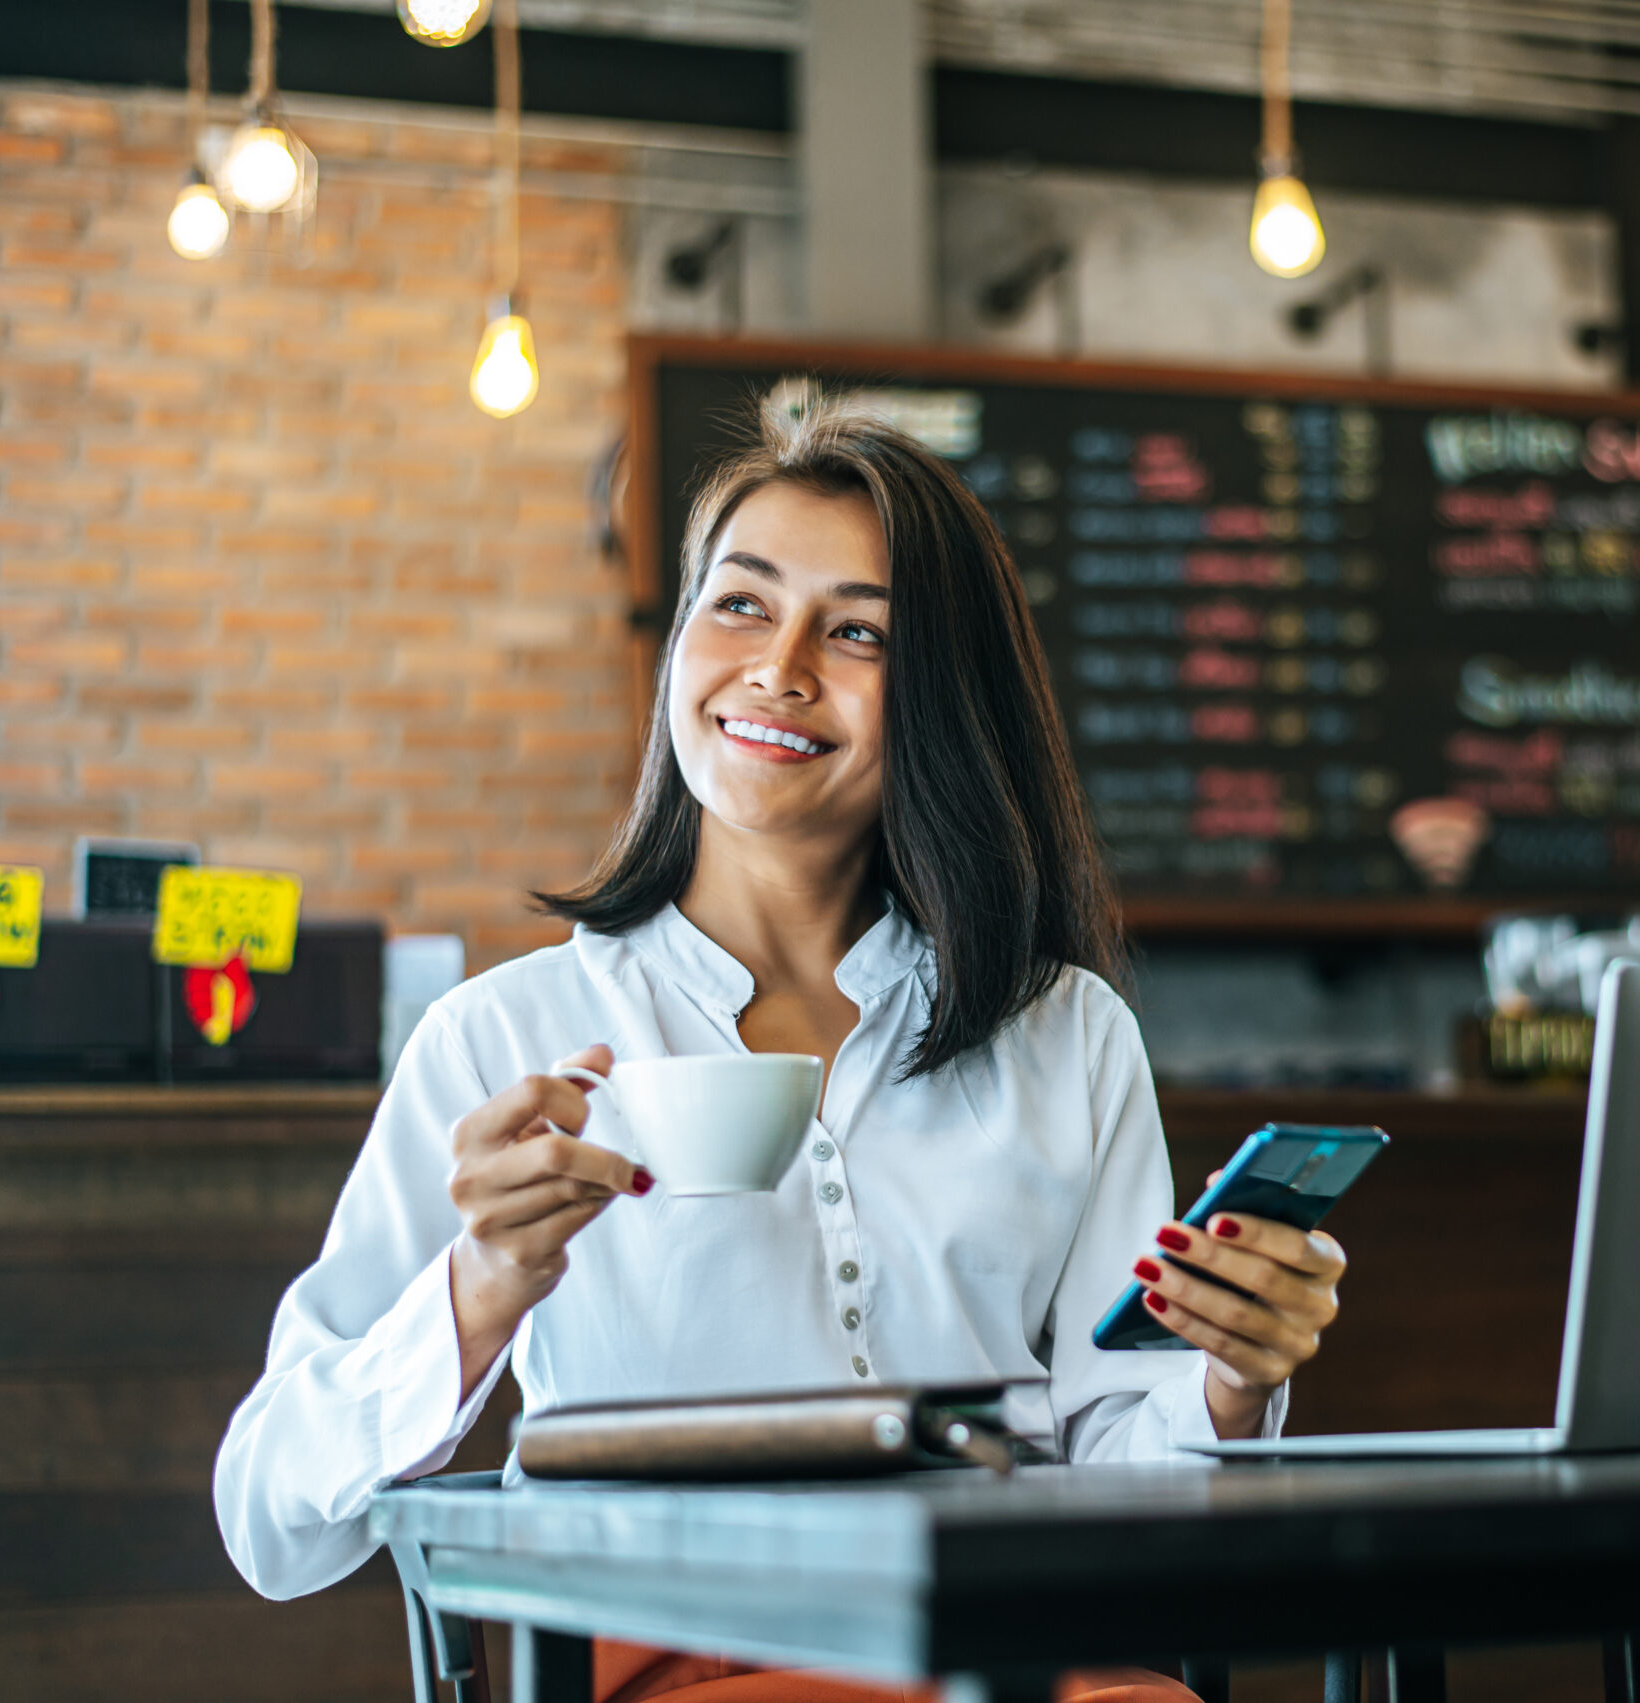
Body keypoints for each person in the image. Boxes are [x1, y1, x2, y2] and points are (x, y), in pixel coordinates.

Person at [214, 393, 1350, 1703]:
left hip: (1017, 1647)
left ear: (942, 699)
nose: (781, 666)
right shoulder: (503, 1039)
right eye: (740, 603)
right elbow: (270, 1520)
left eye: (857, 630)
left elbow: (1128, 1502)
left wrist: (1226, 1382)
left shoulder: (1066, 1035)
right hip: (676, 1656)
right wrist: (475, 1292)